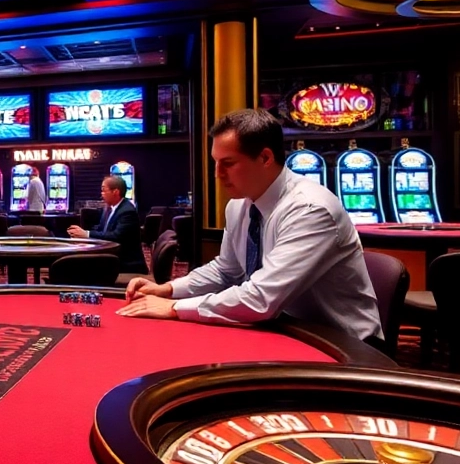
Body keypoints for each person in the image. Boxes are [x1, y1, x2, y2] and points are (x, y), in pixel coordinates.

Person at [118, 109, 382, 342]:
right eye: (215, 163)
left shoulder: (310, 210)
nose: (217, 175)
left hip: (343, 345)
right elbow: (226, 271)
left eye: (228, 164)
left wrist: (175, 308)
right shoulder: (240, 205)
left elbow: (261, 299)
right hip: (284, 329)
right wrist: (168, 289)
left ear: (265, 158)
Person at [67, 176, 146, 273]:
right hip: (111, 256)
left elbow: (116, 236)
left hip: (126, 263)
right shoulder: (109, 208)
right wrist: (83, 237)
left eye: (104, 190)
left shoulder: (127, 211)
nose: (101, 194)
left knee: (78, 265)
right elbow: (102, 231)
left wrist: (87, 234)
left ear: (115, 192)